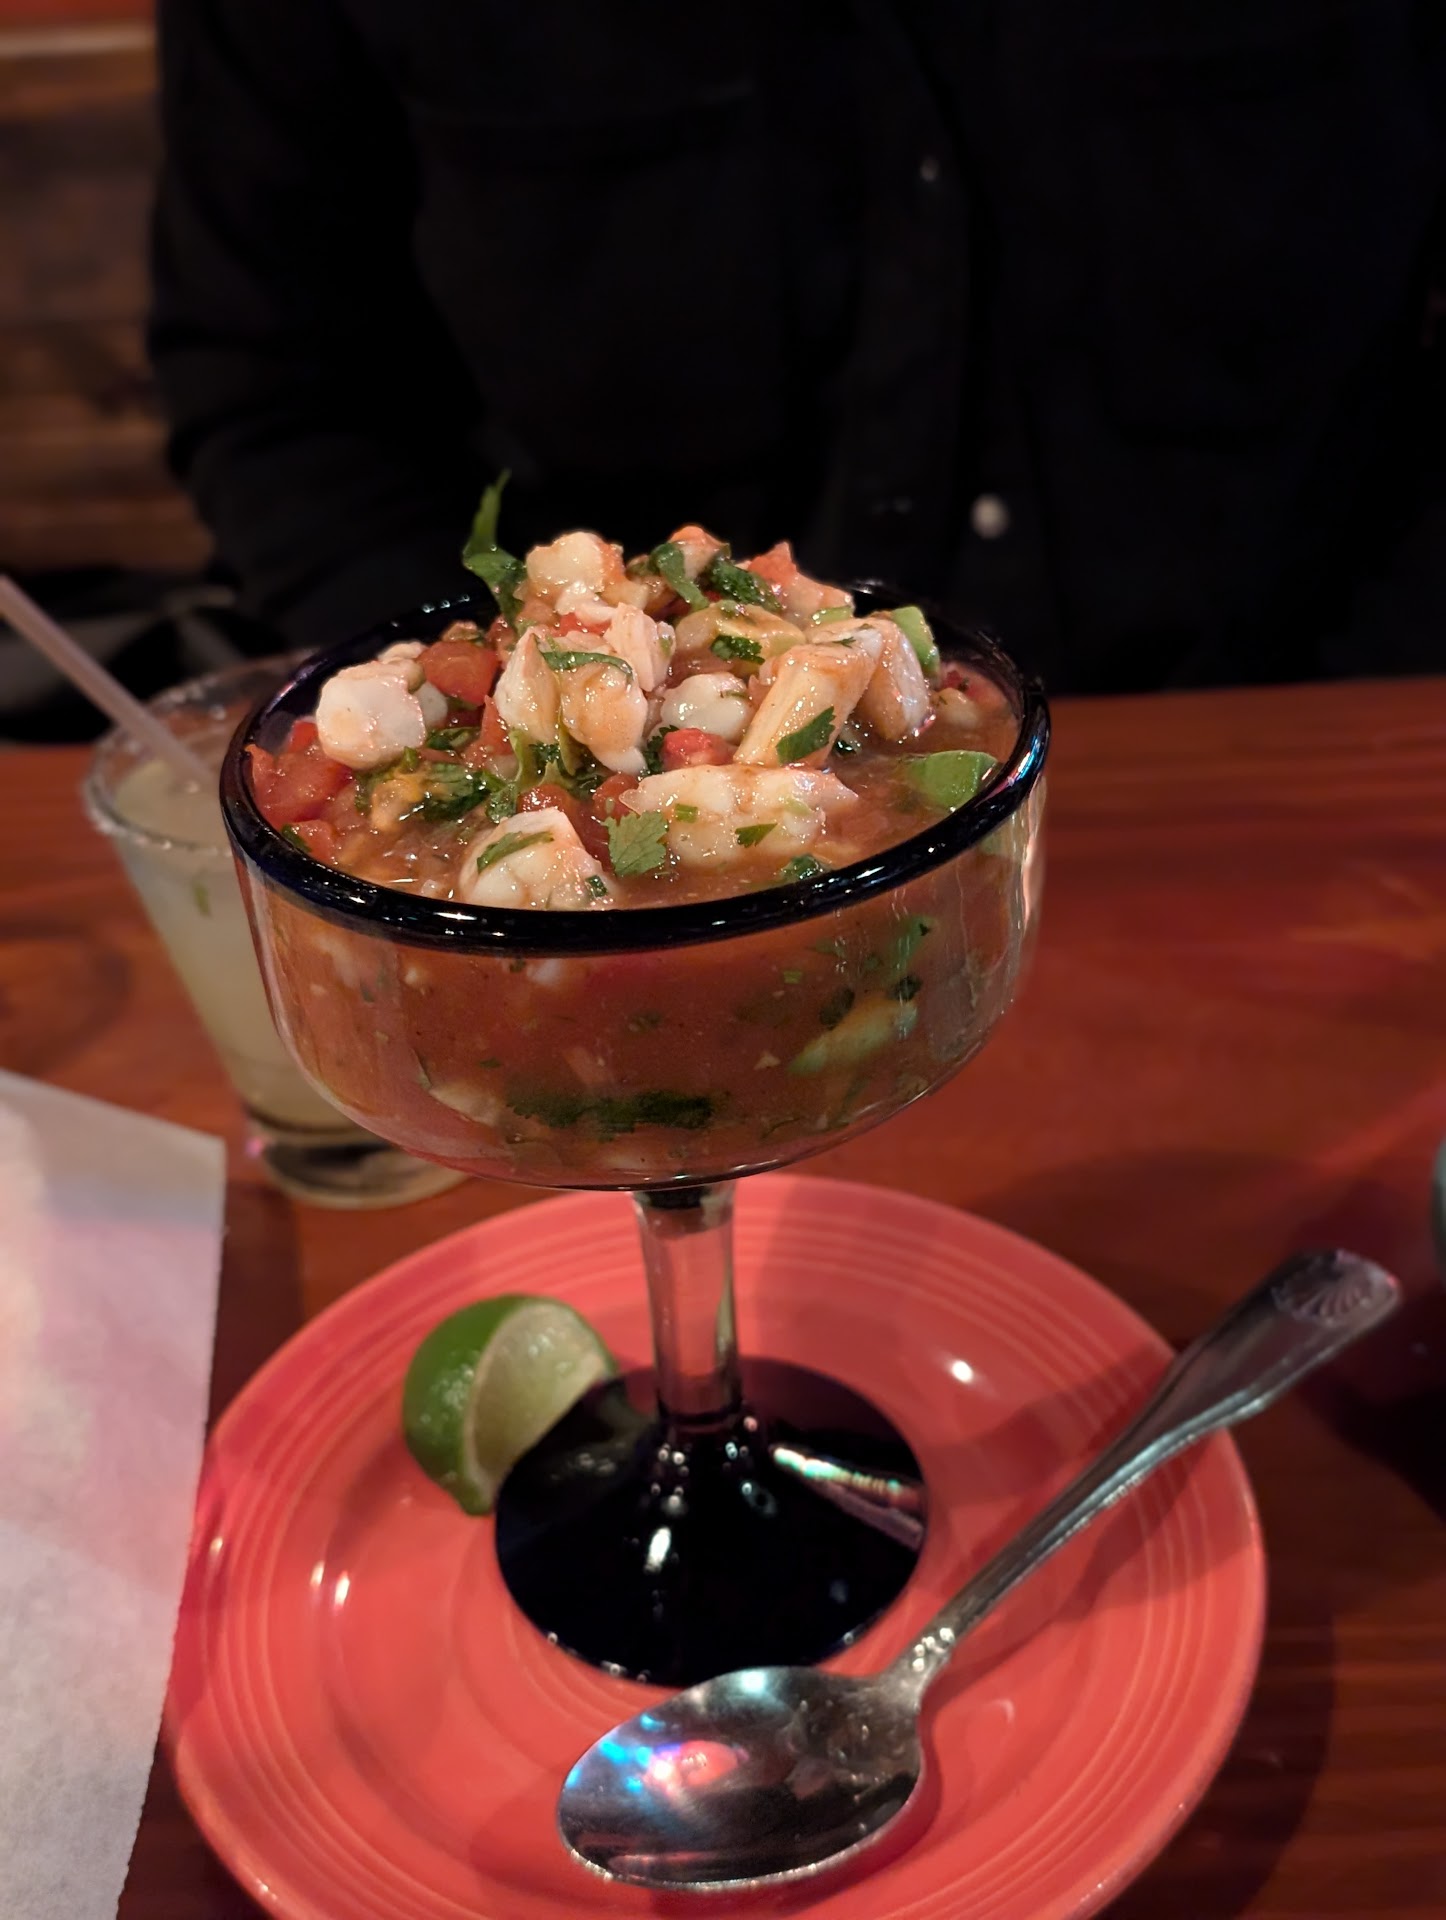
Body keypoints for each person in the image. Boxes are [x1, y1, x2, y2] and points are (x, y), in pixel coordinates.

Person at [149, 1, 1446, 694]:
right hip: (609, 865)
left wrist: (1362, 704)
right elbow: (274, 387)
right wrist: (497, 729)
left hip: (1287, 756)